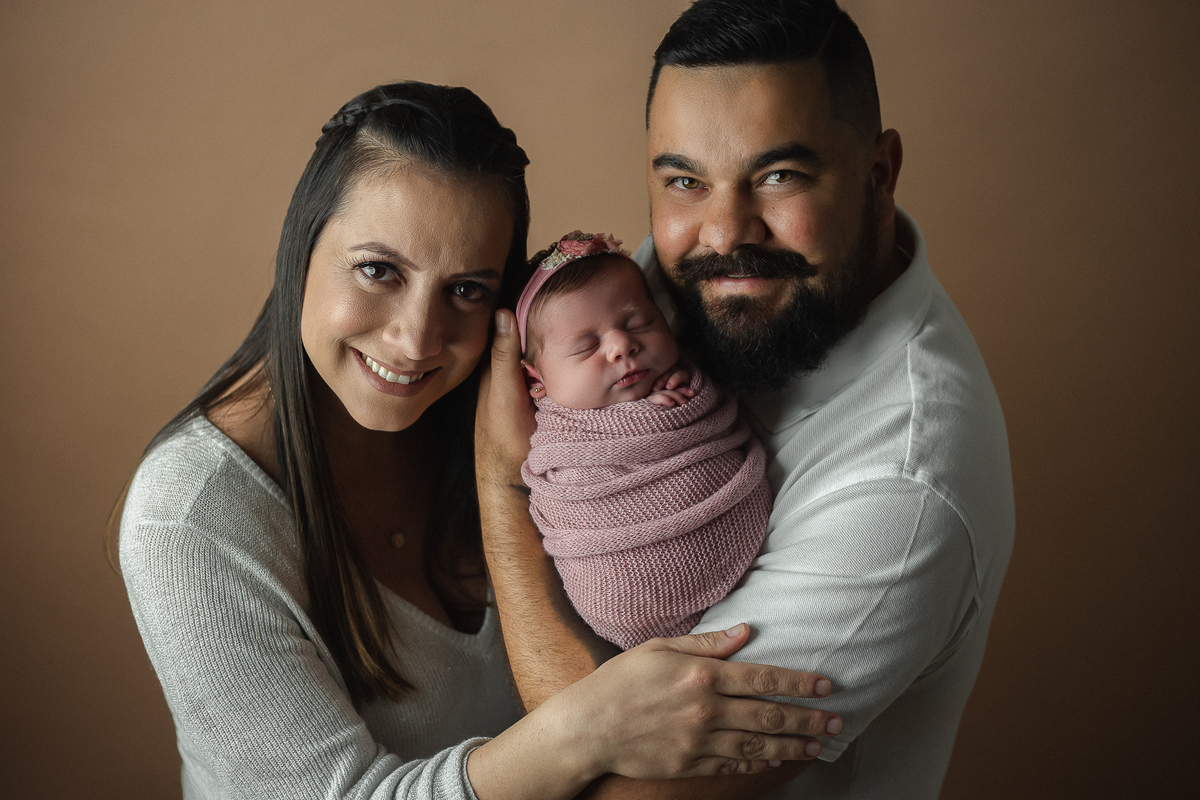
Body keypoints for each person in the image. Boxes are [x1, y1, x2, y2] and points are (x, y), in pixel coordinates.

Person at [117, 81, 843, 800]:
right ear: (301, 248)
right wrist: (583, 730)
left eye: (466, 289)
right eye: (378, 271)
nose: (416, 340)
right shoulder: (190, 518)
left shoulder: (538, 411)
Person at [475, 1, 1015, 798]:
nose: (725, 232)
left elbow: (613, 793)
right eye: (685, 182)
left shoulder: (904, 491)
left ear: (879, 172)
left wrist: (502, 482)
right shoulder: (663, 292)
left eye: (778, 176)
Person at [514, 231, 770, 650]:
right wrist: (641, 418)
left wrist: (683, 398)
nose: (621, 345)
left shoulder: (686, 379)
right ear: (536, 381)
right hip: (624, 594)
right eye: (586, 346)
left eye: (640, 324)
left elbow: (711, 413)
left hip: (754, 581)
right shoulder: (563, 439)